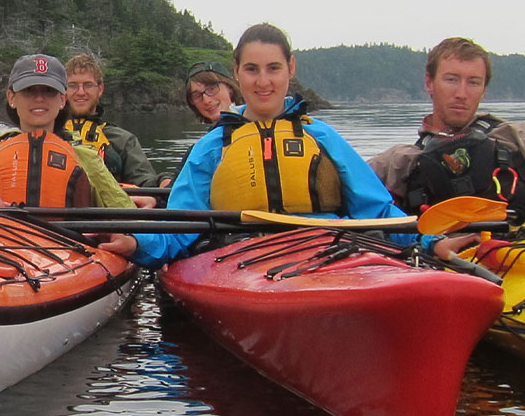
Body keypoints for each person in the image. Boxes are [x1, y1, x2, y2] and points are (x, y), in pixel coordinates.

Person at [132, 24, 412, 266]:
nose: (263, 81)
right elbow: (180, 229)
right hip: (237, 257)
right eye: (252, 69)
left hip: (325, 253)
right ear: (237, 72)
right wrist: (136, 244)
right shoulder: (211, 147)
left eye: (273, 68)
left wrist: (431, 239)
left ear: (290, 68)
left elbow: (378, 211)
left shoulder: (322, 138)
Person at [368, 37, 525, 223]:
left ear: (484, 89)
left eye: (473, 82)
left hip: (522, 257)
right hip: (440, 262)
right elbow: (341, 193)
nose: (461, 93)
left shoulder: (519, 139)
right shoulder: (399, 162)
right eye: (451, 79)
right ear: (430, 83)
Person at [0, 54, 139, 211]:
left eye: (49, 91)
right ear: (11, 98)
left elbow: (126, 216)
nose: (39, 99)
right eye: (29, 91)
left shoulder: (85, 158)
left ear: (62, 100)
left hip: (67, 253)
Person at [59, 53, 163, 190]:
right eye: (72, 86)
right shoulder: (47, 134)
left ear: (100, 89)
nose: (80, 92)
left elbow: (145, 180)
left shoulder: (122, 140)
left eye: (88, 85)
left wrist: (162, 181)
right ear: (63, 90)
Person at [183, 60, 242, 124]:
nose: (206, 101)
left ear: (229, 87)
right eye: (197, 96)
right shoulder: (215, 133)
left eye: (211, 89)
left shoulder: (251, 123)